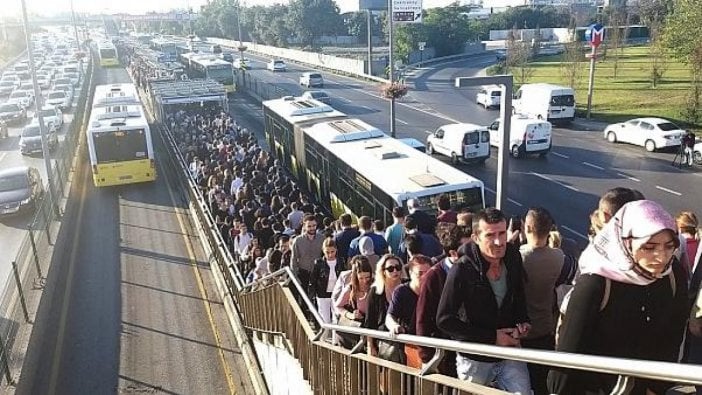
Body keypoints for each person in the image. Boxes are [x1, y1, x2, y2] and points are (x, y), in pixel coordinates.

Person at [548, 200, 689, 395]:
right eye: (649, 247)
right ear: (627, 242)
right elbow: (567, 357)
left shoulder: (673, 276)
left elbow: (671, 339)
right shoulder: (595, 283)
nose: (661, 256)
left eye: (669, 246)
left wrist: (655, 389)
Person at [436, 207, 531, 393]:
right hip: (475, 358)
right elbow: (444, 319)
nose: (498, 241)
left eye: (502, 233)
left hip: (509, 352)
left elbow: (518, 294)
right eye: (490, 235)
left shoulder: (512, 256)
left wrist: (523, 322)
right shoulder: (462, 268)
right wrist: (492, 337)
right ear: (476, 237)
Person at [518, 208, 565, 395]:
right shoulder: (558, 257)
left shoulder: (519, 257)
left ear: (527, 228)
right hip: (545, 328)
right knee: (541, 381)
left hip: (522, 331)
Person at [416, 230, 462, 376]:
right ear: (453, 253)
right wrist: (426, 356)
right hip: (444, 350)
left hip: (465, 346)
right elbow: (422, 316)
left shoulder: (472, 270)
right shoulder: (433, 276)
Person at [386, 254, 432, 368]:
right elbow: (390, 316)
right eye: (420, 273)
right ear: (411, 274)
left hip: (430, 344)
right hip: (409, 345)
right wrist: (394, 326)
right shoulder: (401, 291)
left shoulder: (435, 291)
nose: (424, 277)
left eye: (428, 273)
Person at [364, 254, 404, 359]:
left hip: (404, 338)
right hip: (383, 340)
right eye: (390, 269)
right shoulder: (375, 291)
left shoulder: (406, 287)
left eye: (398, 267)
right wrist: (370, 345)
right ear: (383, 272)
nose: (395, 271)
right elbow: (370, 322)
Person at [309, 238, 345, 339]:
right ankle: (324, 340)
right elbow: (313, 280)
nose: (330, 255)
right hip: (322, 294)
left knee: (336, 319)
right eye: (327, 252)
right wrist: (312, 295)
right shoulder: (318, 263)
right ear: (323, 251)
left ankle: (334, 340)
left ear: (336, 250)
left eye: (332, 252)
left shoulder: (341, 261)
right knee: (325, 320)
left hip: (336, 294)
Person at [335, 257, 374, 348]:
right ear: (355, 277)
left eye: (367, 277)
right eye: (361, 278)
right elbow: (338, 306)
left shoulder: (375, 286)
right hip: (356, 331)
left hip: (371, 328)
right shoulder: (350, 288)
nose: (365, 281)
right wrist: (350, 315)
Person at [290, 215, 324, 296]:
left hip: (318, 273)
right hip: (303, 273)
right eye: (309, 226)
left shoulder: (322, 238)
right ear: (304, 226)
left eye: (314, 226)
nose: (312, 228)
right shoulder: (298, 241)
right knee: (304, 298)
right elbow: (293, 259)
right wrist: (295, 277)